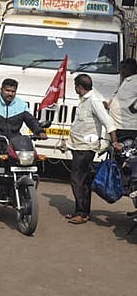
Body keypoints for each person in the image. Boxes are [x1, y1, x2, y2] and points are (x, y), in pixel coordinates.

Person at [67, 73, 121, 225]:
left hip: (86, 148)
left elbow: (108, 123)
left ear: (79, 87)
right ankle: (82, 211)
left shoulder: (93, 100)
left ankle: (82, 213)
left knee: (77, 180)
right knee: (83, 181)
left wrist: (114, 142)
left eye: (75, 86)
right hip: (77, 145)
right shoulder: (86, 99)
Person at [0, 78, 46, 194]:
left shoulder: (21, 105)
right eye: (7, 90)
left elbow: (31, 120)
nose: (10, 94)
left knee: (30, 154)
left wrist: (39, 131)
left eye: (13, 91)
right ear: (1, 90)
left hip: (14, 139)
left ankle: (22, 180)